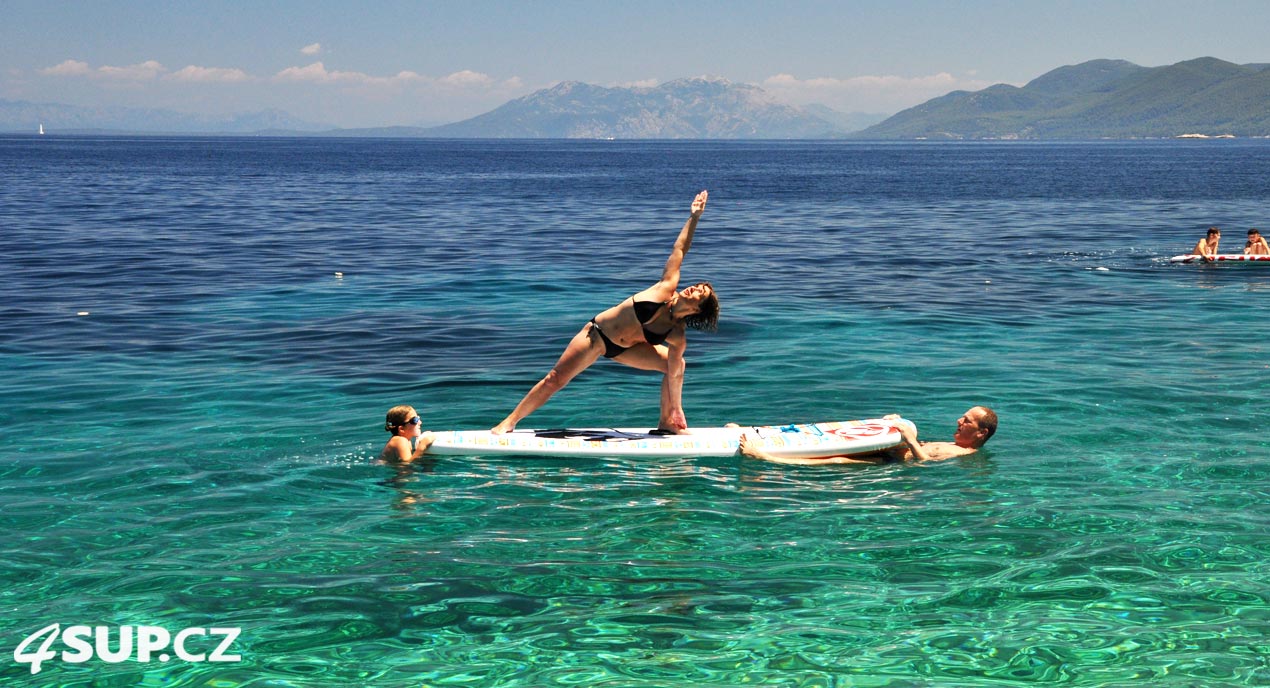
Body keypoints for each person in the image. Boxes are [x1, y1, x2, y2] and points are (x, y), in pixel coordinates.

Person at [492, 190, 720, 435]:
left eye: (701, 292)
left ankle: (667, 421)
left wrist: (677, 408)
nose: (695, 287)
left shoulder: (676, 334)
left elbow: (674, 373)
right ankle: (510, 422)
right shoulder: (666, 288)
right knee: (555, 379)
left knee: (676, 364)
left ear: (697, 309)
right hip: (597, 337)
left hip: (626, 349)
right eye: (698, 285)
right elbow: (680, 249)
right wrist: (694, 217)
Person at [738, 406, 998, 465]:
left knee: (837, 460)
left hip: (890, 462)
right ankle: (753, 432)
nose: (959, 420)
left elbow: (925, 464)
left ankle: (763, 456)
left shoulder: (963, 454)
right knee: (829, 439)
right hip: (888, 449)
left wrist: (908, 440)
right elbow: (921, 445)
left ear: (981, 433)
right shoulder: (950, 443)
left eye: (967, 420)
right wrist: (891, 426)